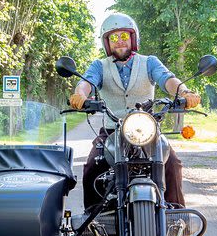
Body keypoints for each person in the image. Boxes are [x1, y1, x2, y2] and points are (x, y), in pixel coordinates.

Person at [69, 12, 200, 211]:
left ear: (133, 38)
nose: (119, 41)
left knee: (172, 163)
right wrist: (80, 94)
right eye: (113, 37)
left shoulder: (149, 62)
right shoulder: (99, 66)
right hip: (113, 131)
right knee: (91, 168)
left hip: (147, 131)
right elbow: (86, 83)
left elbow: (167, 79)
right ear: (107, 42)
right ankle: (94, 224)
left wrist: (184, 91)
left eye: (123, 36)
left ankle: (176, 217)